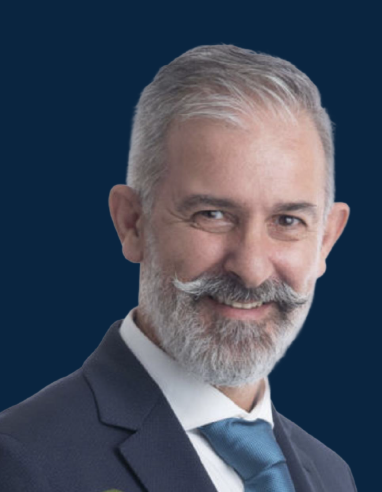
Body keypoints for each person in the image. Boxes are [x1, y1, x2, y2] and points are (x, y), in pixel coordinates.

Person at [0, 45, 355, 492]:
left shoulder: (331, 475)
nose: (251, 269)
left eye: (287, 221)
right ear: (133, 223)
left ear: (326, 238)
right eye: (212, 215)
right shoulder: (21, 463)